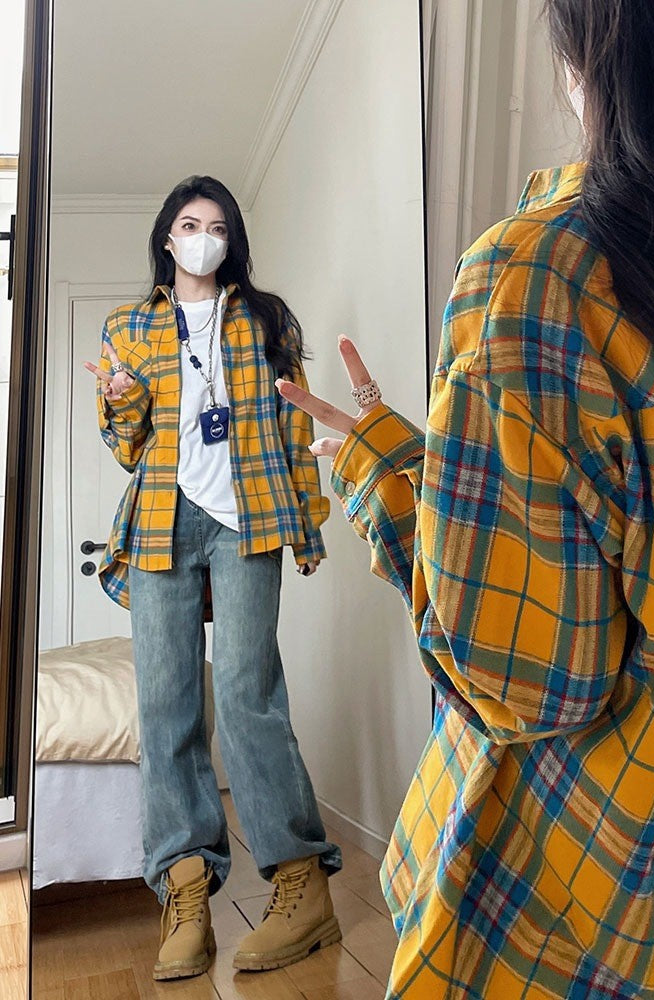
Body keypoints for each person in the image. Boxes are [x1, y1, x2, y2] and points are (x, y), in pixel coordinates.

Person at [277, 0, 654, 996]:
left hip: (570, 920)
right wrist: (431, 460)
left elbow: (521, 680)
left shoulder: (541, 271)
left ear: (598, 59)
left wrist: (378, 477)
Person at [84, 175, 342, 982]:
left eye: (218, 225)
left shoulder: (266, 319)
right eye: (190, 223)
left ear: (231, 241)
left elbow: (292, 417)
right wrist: (122, 401)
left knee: (245, 690)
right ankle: (186, 892)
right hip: (162, 515)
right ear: (167, 237)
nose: (203, 235)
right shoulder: (128, 325)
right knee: (165, 704)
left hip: (250, 512)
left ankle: (302, 888)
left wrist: (308, 519)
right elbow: (128, 444)